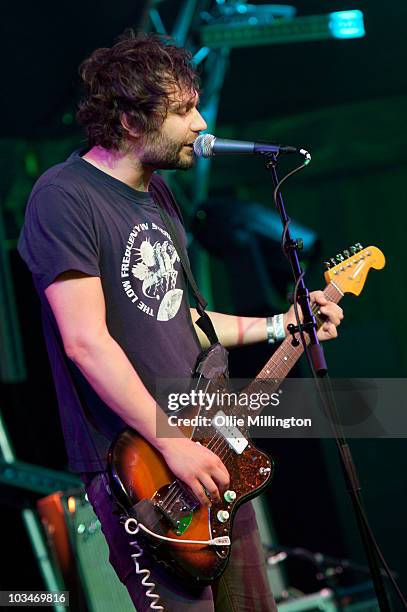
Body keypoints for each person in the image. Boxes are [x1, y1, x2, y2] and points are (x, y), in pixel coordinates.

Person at [18, 31, 343, 611]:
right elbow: (86, 343)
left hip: (206, 449)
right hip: (143, 470)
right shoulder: (64, 197)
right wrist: (171, 444)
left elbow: (186, 319)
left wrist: (280, 325)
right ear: (131, 119)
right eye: (183, 109)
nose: (201, 123)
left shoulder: (159, 195)